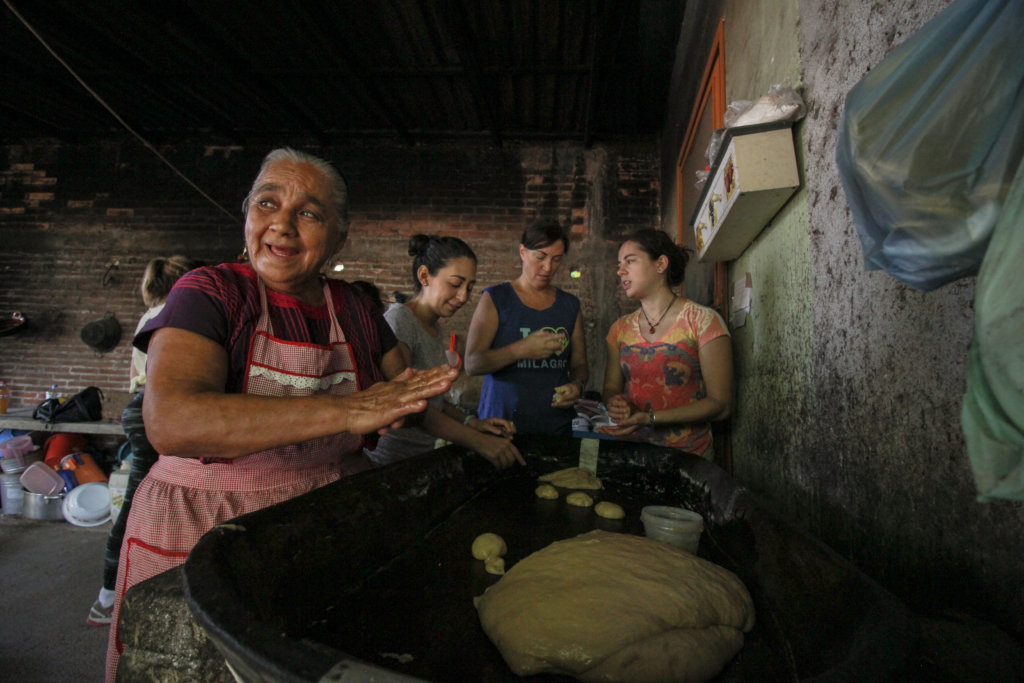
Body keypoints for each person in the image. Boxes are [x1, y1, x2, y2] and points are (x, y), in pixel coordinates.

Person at [104, 148, 458, 681]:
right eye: (267, 202)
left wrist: (400, 409)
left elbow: (396, 391)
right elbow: (174, 421)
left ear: (339, 236)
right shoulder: (211, 292)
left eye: (310, 213)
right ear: (247, 216)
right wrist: (348, 411)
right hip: (206, 520)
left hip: (324, 514)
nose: (283, 225)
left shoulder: (356, 309)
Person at [87, 255, 201, 627]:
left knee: (142, 497)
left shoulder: (151, 312)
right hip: (157, 407)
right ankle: (109, 597)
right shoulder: (179, 311)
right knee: (143, 498)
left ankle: (121, 589)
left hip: (141, 407)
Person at [366, 234, 524, 469]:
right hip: (389, 463)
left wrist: (471, 422)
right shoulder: (401, 322)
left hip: (415, 458)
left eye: (469, 288)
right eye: (455, 284)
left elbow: (433, 401)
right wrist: (478, 441)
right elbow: (409, 404)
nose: (463, 297)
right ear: (424, 276)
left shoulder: (432, 326)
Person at [596, 229, 732, 457]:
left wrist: (650, 419)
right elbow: (611, 388)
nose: (620, 271)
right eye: (619, 264)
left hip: (690, 456)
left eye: (630, 261)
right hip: (634, 454)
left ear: (660, 264)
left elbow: (720, 404)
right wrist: (615, 402)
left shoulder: (702, 321)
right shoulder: (619, 329)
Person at [464, 219, 587, 435]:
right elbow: (473, 364)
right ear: (523, 252)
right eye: (540, 257)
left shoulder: (570, 305)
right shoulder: (496, 298)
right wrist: (521, 349)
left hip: (555, 426)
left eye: (556, 259)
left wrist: (576, 385)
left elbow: (579, 364)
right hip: (501, 426)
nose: (548, 267)